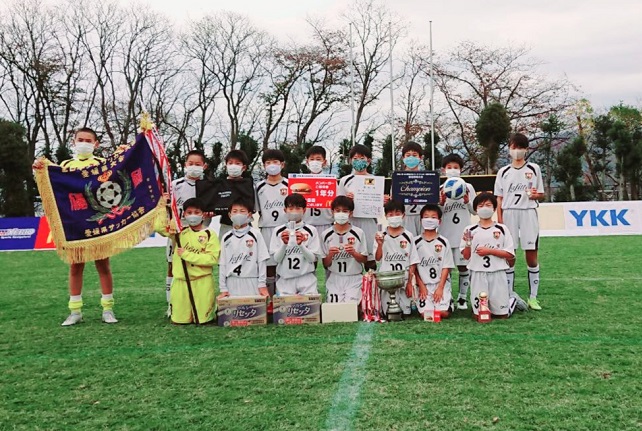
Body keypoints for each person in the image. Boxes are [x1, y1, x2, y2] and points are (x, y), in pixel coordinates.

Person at [33, 127, 117, 326]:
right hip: (74, 225)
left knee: (103, 265)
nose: (84, 143)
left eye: (89, 140)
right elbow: (54, 188)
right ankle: (75, 310)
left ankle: (108, 309)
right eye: (80, 139)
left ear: (96, 144)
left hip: (97, 222)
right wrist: (39, 169)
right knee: (75, 266)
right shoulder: (65, 165)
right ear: (73, 141)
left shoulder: (102, 164)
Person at [494, 133, 545, 310]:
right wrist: (500, 221)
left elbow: (541, 194)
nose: (517, 151)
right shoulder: (503, 172)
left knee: (531, 256)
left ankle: (533, 297)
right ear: (509, 149)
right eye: (514, 147)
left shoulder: (534, 169)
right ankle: (509, 295)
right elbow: (499, 199)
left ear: (526, 149)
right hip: (509, 214)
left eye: (520, 147)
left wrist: (535, 195)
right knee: (510, 255)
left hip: (528, 213)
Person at [157, 198, 220, 324]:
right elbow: (159, 227)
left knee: (203, 320)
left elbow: (212, 259)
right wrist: (161, 206)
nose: (193, 215)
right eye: (189, 212)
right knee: (180, 320)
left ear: (203, 214)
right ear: (184, 214)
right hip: (181, 281)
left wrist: (187, 255)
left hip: (202, 281)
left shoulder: (209, 234)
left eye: (197, 212)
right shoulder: (179, 232)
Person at [164, 149, 209, 317]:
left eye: (198, 164)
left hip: (200, 236)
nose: (194, 167)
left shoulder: (209, 186)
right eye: (191, 164)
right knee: (173, 266)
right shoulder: (175, 185)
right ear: (185, 165)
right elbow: (166, 207)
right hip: (179, 234)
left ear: (204, 166)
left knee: (199, 267)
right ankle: (171, 304)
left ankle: (199, 302)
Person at [460, 193, 517, 319]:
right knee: (480, 316)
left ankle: (512, 301)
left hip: (497, 273)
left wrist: (489, 251)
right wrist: (468, 244)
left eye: (488, 205)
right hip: (478, 273)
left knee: (502, 316)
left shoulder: (502, 229)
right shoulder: (469, 229)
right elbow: (466, 256)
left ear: (494, 208)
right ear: (476, 209)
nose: (484, 208)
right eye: (481, 205)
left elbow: (509, 254)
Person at [338, 144, 388, 271]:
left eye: (362, 158)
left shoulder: (375, 180)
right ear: (350, 161)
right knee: (351, 257)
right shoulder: (345, 180)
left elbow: (379, 204)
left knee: (370, 261)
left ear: (369, 161)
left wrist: (383, 201)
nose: (358, 161)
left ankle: (371, 289)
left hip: (369, 223)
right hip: (351, 222)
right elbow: (339, 204)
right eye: (355, 158)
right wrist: (347, 200)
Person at [438, 153, 476, 310]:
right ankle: (448, 298)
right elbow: (435, 213)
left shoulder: (468, 187)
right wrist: (440, 203)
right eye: (449, 167)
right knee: (447, 268)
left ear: (461, 170)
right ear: (443, 170)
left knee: (463, 267)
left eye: (456, 167)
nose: (452, 170)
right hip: (446, 234)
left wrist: (468, 202)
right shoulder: (440, 189)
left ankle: (462, 297)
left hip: (463, 234)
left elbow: (475, 211)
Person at [374, 200, 419, 318]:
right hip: (386, 280)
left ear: (403, 215)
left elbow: (413, 261)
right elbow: (377, 258)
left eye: (397, 213)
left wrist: (410, 282)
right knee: (386, 313)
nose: (394, 217)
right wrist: (379, 244)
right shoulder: (380, 235)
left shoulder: (408, 236)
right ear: (386, 216)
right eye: (390, 214)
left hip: (403, 280)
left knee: (405, 313)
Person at [270, 193, 322, 295]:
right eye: (291, 208)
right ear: (285, 210)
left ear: (304, 210)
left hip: (306, 278)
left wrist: (301, 245)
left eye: (298, 208)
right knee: (285, 310)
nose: (294, 211)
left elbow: (312, 259)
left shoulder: (311, 230)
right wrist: (284, 244)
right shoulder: (278, 231)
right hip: (285, 279)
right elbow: (276, 259)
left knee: (309, 309)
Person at [218, 198, 270, 298]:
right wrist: (223, 288)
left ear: (249, 215)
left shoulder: (256, 234)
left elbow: (262, 260)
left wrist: (262, 284)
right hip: (232, 282)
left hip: (252, 280)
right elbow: (222, 264)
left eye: (242, 211)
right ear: (229, 215)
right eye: (235, 211)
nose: (238, 214)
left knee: (253, 312)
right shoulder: (226, 237)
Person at [255, 149, 289, 299]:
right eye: (268, 162)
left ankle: (284, 297)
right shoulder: (258, 186)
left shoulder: (290, 184)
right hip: (266, 229)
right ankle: (269, 300)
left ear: (282, 164)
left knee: (286, 264)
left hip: (286, 229)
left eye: (275, 162)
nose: (272, 165)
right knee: (268, 266)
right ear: (264, 166)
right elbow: (255, 209)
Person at [321, 196, 368, 303]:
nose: (341, 214)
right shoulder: (325, 234)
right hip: (335, 278)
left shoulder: (358, 232)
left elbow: (364, 259)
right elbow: (325, 264)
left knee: (351, 309)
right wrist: (330, 255)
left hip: (354, 277)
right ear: (332, 212)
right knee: (335, 310)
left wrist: (354, 253)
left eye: (345, 211)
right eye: (338, 211)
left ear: (350, 213)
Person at [413, 204, 455, 319]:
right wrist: (421, 285)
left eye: (433, 217)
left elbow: (447, 266)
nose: (429, 220)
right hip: (424, 285)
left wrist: (440, 287)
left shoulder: (444, 241)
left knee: (444, 314)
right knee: (425, 315)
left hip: (440, 283)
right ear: (421, 220)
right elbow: (414, 268)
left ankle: (448, 302)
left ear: (439, 221)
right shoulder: (415, 242)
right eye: (426, 217)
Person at [303, 146, 334, 236]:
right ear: (307, 162)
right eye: (312, 159)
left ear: (324, 162)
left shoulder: (331, 181)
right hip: (306, 224)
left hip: (326, 223)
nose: (315, 162)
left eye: (318, 159)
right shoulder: (301, 181)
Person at [399, 141, 426, 237]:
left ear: (420, 158)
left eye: (414, 155)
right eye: (408, 155)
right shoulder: (398, 178)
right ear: (403, 158)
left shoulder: (427, 177)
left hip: (423, 217)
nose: (411, 158)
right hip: (406, 217)